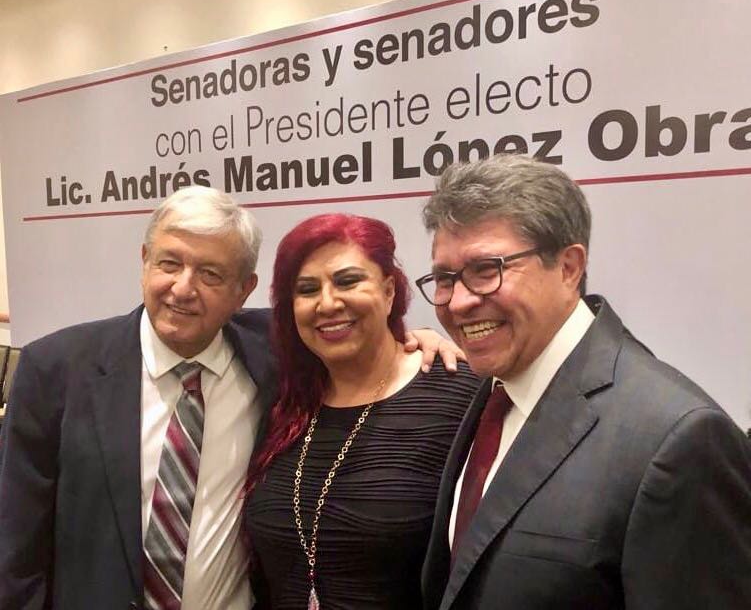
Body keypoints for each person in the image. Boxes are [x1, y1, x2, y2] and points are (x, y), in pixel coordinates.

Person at [0, 187, 457, 610]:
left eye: (210, 274)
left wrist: (413, 340)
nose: (183, 288)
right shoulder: (56, 369)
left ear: (244, 290)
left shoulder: (274, 355)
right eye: (169, 263)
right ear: (144, 261)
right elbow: (15, 548)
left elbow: (350, 331)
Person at [417, 155, 751, 610]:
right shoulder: (494, 389)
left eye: (485, 271)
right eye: (444, 278)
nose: (457, 302)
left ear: (569, 267)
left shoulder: (678, 439)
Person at [244, 213, 480, 610]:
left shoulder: (459, 394)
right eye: (307, 289)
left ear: (389, 291)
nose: (327, 303)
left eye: (348, 281)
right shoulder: (278, 399)